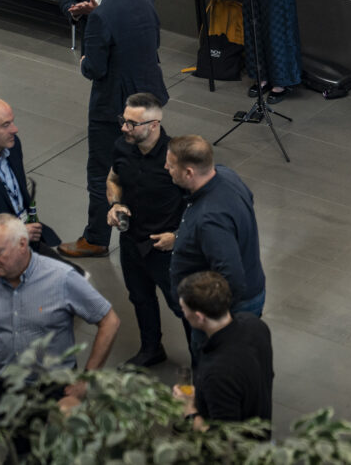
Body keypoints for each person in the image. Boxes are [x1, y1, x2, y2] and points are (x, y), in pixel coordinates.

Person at [60, 0, 168, 259]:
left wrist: (82, 59)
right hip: (150, 99)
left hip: (114, 109)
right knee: (150, 168)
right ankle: (155, 230)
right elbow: (150, 41)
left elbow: (94, 68)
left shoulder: (102, 17)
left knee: (100, 172)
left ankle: (96, 238)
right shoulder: (143, 0)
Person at [0, 214, 120, 412]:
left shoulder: (61, 278)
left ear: (22, 244)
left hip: (52, 393)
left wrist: (85, 382)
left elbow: (109, 321)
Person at [106, 92, 189, 367]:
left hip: (165, 248)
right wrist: (116, 204)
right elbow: (113, 177)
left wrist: (177, 237)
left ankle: (203, 363)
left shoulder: (176, 157)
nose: (124, 128)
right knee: (140, 298)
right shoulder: (122, 146)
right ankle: (151, 348)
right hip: (131, 241)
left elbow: (199, 204)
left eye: (132, 124)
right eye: (124, 120)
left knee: (183, 307)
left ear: (154, 124)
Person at [166, 135, 266, 354]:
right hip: (252, 287)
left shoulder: (210, 220)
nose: (166, 167)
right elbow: (248, 198)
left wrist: (210, 317)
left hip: (229, 310)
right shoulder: (226, 175)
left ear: (189, 172)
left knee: (215, 368)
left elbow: (232, 278)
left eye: (171, 165)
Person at [0, 97, 84, 275]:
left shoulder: (13, 146)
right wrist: (14, 235)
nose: (15, 130)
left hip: (28, 238)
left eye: (12, 122)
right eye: (5, 125)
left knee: (75, 277)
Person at [174, 271, 272, 431]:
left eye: (184, 309)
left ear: (199, 317)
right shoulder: (255, 325)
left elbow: (223, 438)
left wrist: (189, 412)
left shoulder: (217, 372)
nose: (183, 313)